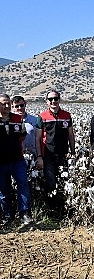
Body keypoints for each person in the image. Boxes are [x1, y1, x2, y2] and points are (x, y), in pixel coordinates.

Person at [35, 89, 75, 217]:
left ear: (59, 100)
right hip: (48, 155)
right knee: (51, 183)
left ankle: (65, 210)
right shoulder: (42, 117)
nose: (53, 101)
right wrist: (40, 156)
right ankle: (52, 212)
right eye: (50, 99)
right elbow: (38, 138)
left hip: (64, 154)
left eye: (55, 99)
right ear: (46, 101)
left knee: (65, 182)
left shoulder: (67, 115)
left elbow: (70, 134)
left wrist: (73, 152)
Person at [0, 94, 32, 225]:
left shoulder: (18, 119)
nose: (6, 106)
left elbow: (22, 136)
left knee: (23, 185)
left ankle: (25, 214)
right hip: (0, 162)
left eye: (8, 103)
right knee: (3, 189)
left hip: (17, 160)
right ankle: (7, 215)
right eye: (3, 103)